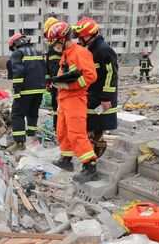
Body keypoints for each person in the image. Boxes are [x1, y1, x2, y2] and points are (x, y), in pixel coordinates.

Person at [59, 17, 118, 171]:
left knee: (96, 129)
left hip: (101, 97)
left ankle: (94, 162)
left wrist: (106, 97)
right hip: (90, 95)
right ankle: (91, 160)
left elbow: (111, 74)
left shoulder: (103, 49)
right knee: (88, 127)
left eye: (80, 37)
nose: (78, 40)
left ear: (88, 35)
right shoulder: (89, 49)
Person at [46, 21, 99, 182]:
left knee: (77, 133)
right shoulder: (67, 54)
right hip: (64, 99)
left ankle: (90, 166)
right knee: (62, 131)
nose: (53, 46)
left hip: (75, 99)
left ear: (62, 39)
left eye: (55, 42)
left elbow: (90, 76)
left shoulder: (79, 52)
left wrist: (69, 86)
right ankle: (66, 159)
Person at [6, 33, 46, 153]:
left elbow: (18, 72)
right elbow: (44, 69)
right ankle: (31, 138)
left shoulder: (18, 53)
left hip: (25, 90)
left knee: (17, 115)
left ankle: (19, 143)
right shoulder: (38, 52)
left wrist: (17, 89)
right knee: (32, 114)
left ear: (15, 44)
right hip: (39, 89)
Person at [44, 17, 61, 130]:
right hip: (55, 83)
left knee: (60, 106)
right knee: (55, 106)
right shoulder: (51, 48)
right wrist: (48, 82)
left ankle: (59, 128)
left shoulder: (61, 47)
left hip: (62, 83)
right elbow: (48, 67)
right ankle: (57, 128)